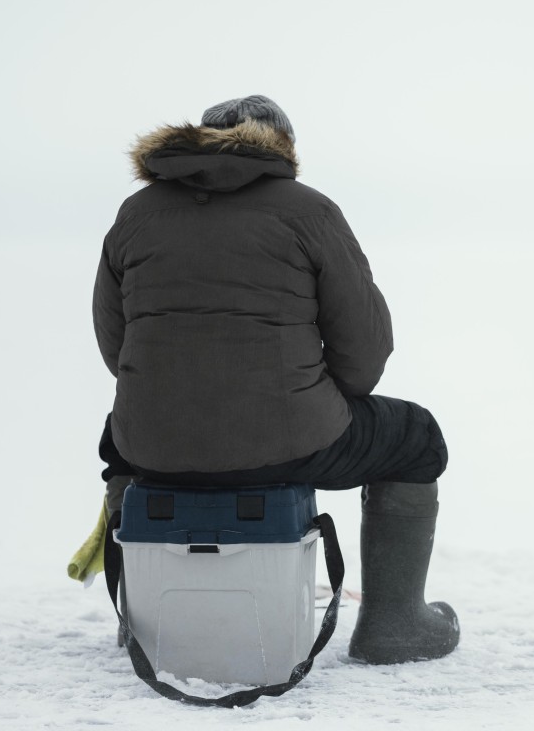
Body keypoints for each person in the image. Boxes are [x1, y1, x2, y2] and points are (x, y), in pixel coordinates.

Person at [92, 95, 459, 665]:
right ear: (281, 145)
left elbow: (117, 350)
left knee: (119, 441)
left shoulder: (136, 213)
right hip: (288, 445)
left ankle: (141, 620)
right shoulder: (309, 211)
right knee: (415, 438)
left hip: (153, 447)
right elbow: (363, 354)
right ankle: (395, 626)